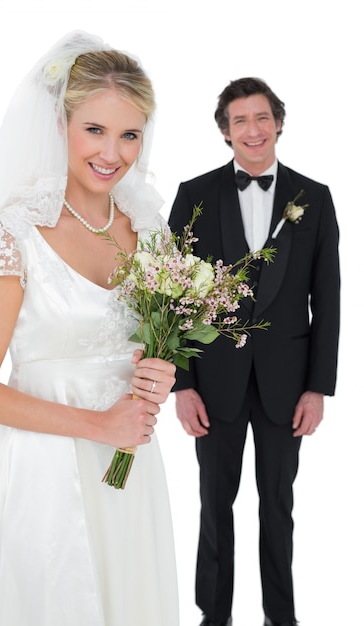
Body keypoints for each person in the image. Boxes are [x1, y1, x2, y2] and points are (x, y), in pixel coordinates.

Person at [0, 31, 179, 626]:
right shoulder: (13, 233)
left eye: (129, 134)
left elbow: (148, 342)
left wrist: (160, 371)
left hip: (130, 476)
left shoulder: (150, 230)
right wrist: (99, 424)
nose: (113, 152)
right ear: (60, 123)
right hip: (44, 477)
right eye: (95, 130)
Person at [168, 77, 340, 626]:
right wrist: (182, 384)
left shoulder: (314, 197)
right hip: (212, 383)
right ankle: (212, 617)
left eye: (262, 117)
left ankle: (280, 618)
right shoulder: (194, 195)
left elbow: (328, 300)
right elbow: (173, 296)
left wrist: (318, 387)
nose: (253, 130)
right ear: (225, 132)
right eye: (240, 120)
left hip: (287, 384)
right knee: (214, 507)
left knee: (279, 509)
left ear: (279, 122)